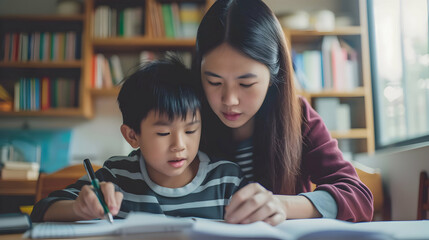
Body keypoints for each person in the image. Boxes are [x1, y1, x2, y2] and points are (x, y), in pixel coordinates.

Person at [194, 0, 373, 226]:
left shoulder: (298, 117)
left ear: (273, 75)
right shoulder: (185, 118)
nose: (230, 100)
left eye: (246, 83)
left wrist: (283, 205)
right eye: (214, 81)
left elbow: (358, 196)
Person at [30, 57, 247, 222]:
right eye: (163, 133)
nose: (179, 145)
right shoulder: (116, 176)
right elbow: (42, 209)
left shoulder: (226, 180)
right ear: (132, 135)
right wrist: (77, 208)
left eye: (190, 131)